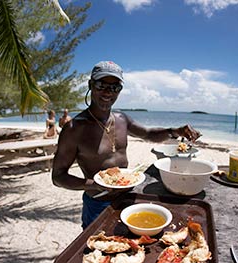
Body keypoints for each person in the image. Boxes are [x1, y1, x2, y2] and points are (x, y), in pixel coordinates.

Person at [52, 61, 201, 229]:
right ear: (90, 85)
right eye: (102, 85)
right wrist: (94, 185)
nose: (108, 92)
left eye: (115, 87)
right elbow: (58, 176)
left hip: (129, 197)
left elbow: (148, 133)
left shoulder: (121, 119)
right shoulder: (74, 129)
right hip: (98, 203)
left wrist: (175, 131)